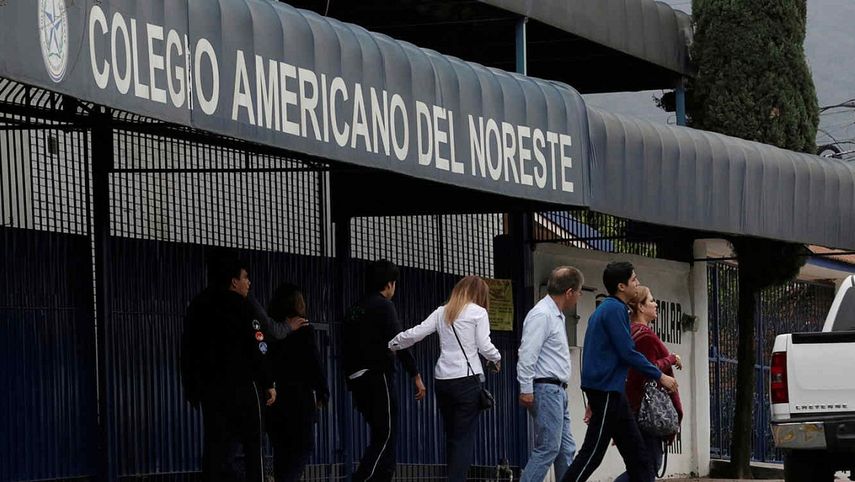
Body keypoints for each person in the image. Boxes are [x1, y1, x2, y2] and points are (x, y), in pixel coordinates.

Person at [559, 261, 678, 482]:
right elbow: (627, 352)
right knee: (592, 454)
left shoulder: (609, 308)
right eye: (634, 279)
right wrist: (660, 375)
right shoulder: (614, 309)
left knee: (639, 459)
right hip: (606, 392)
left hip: (612, 392)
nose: (638, 283)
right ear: (622, 286)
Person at [388, 276, 502, 482]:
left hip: (442, 381)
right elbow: (485, 346)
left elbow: (416, 333)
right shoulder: (479, 312)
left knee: (451, 436)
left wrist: (392, 344)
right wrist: (496, 358)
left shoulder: (443, 311)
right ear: (479, 294)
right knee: (463, 440)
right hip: (467, 381)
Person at [180, 253, 277, 482]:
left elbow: (188, 349)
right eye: (245, 277)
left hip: (211, 391)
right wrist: (268, 382)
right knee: (253, 447)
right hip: (244, 388)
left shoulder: (198, 305)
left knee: (215, 448)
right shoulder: (243, 307)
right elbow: (258, 346)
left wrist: (192, 388)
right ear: (234, 281)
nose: (249, 283)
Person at [343, 260, 427, 482]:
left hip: (356, 379)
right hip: (376, 376)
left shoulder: (355, 308)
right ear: (389, 284)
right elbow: (398, 342)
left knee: (381, 434)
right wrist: (415, 374)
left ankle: (382, 477)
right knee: (386, 434)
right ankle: (361, 478)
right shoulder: (383, 306)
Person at [517, 266, 584, 482]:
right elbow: (527, 353)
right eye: (579, 292)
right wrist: (526, 389)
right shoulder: (542, 315)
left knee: (565, 449)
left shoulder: (555, 315)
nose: (579, 296)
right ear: (569, 292)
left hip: (556, 390)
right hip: (546, 388)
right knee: (548, 448)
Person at [613, 286, 683, 482]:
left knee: (642, 466)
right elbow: (647, 369)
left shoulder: (630, 332)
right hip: (645, 412)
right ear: (641, 308)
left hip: (632, 408)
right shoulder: (644, 335)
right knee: (648, 467)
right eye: (651, 301)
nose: (656, 304)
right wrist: (670, 359)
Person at [265, 283, 330, 482]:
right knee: (302, 449)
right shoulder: (303, 329)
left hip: (275, 402)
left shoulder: (271, 329)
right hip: (299, 401)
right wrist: (323, 391)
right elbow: (314, 363)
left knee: (282, 454)